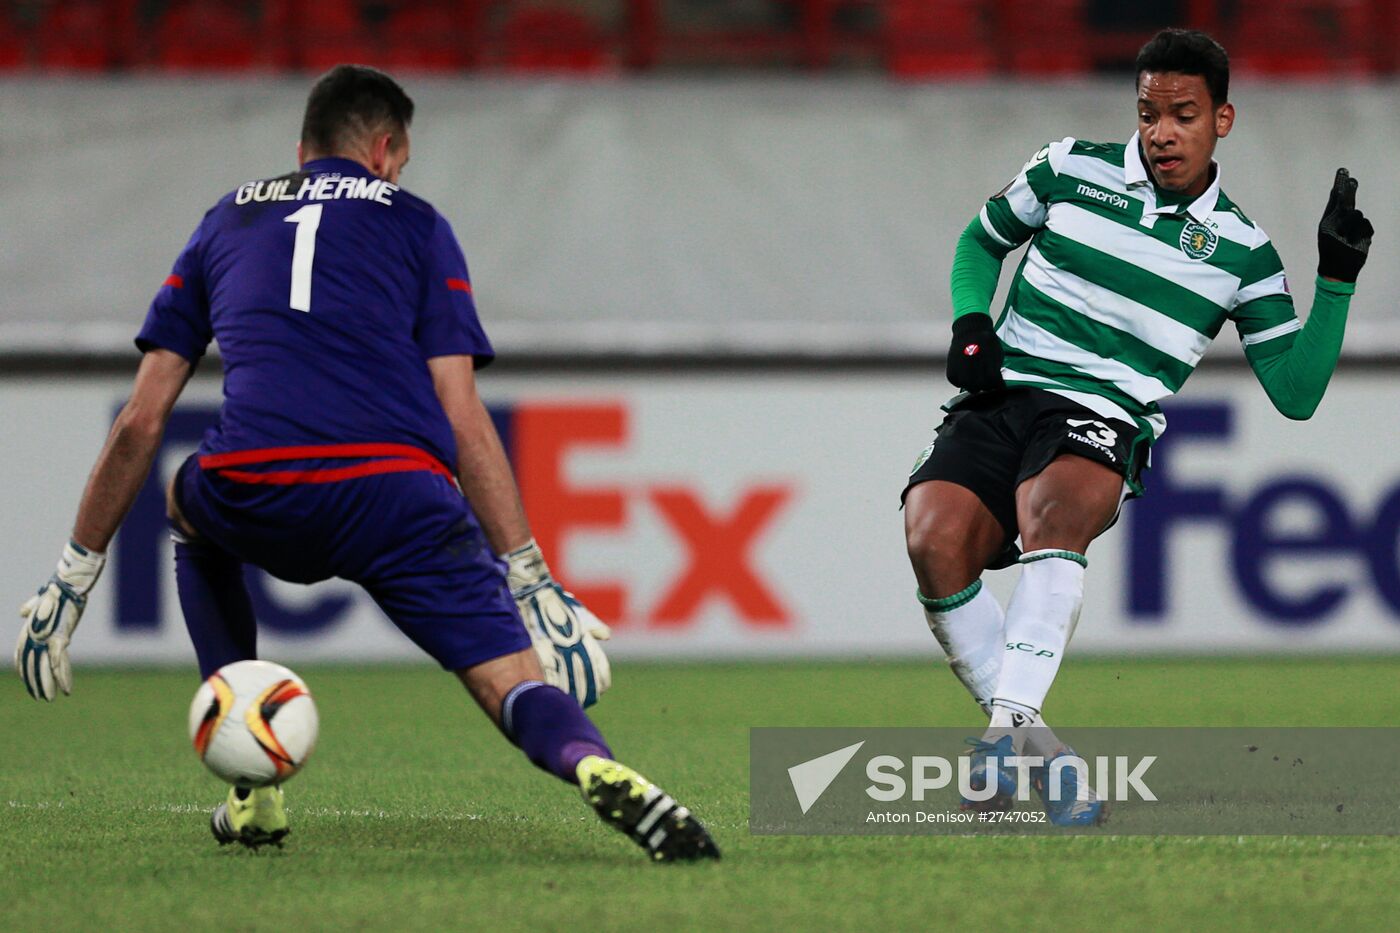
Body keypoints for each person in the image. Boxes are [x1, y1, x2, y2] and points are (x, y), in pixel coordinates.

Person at [14, 65, 718, 862]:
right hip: (399, 496)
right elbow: (461, 414)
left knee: (187, 505)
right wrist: (531, 573)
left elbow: (141, 421)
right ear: (385, 150)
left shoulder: (224, 220)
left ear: (303, 148)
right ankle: (593, 763)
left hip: (256, 484)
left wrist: (74, 574)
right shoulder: (419, 224)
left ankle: (253, 790)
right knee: (513, 682)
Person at [902, 29, 1373, 824]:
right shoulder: (1069, 168)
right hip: (1004, 394)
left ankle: (999, 742)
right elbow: (981, 242)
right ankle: (1041, 752)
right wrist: (971, 323)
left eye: (1181, 114)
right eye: (1148, 112)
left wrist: (1335, 280)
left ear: (1222, 119)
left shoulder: (1243, 254)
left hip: (1102, 415)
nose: (1160, 132)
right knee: (930, 537)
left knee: (1052, 514)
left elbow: (1294, 391)